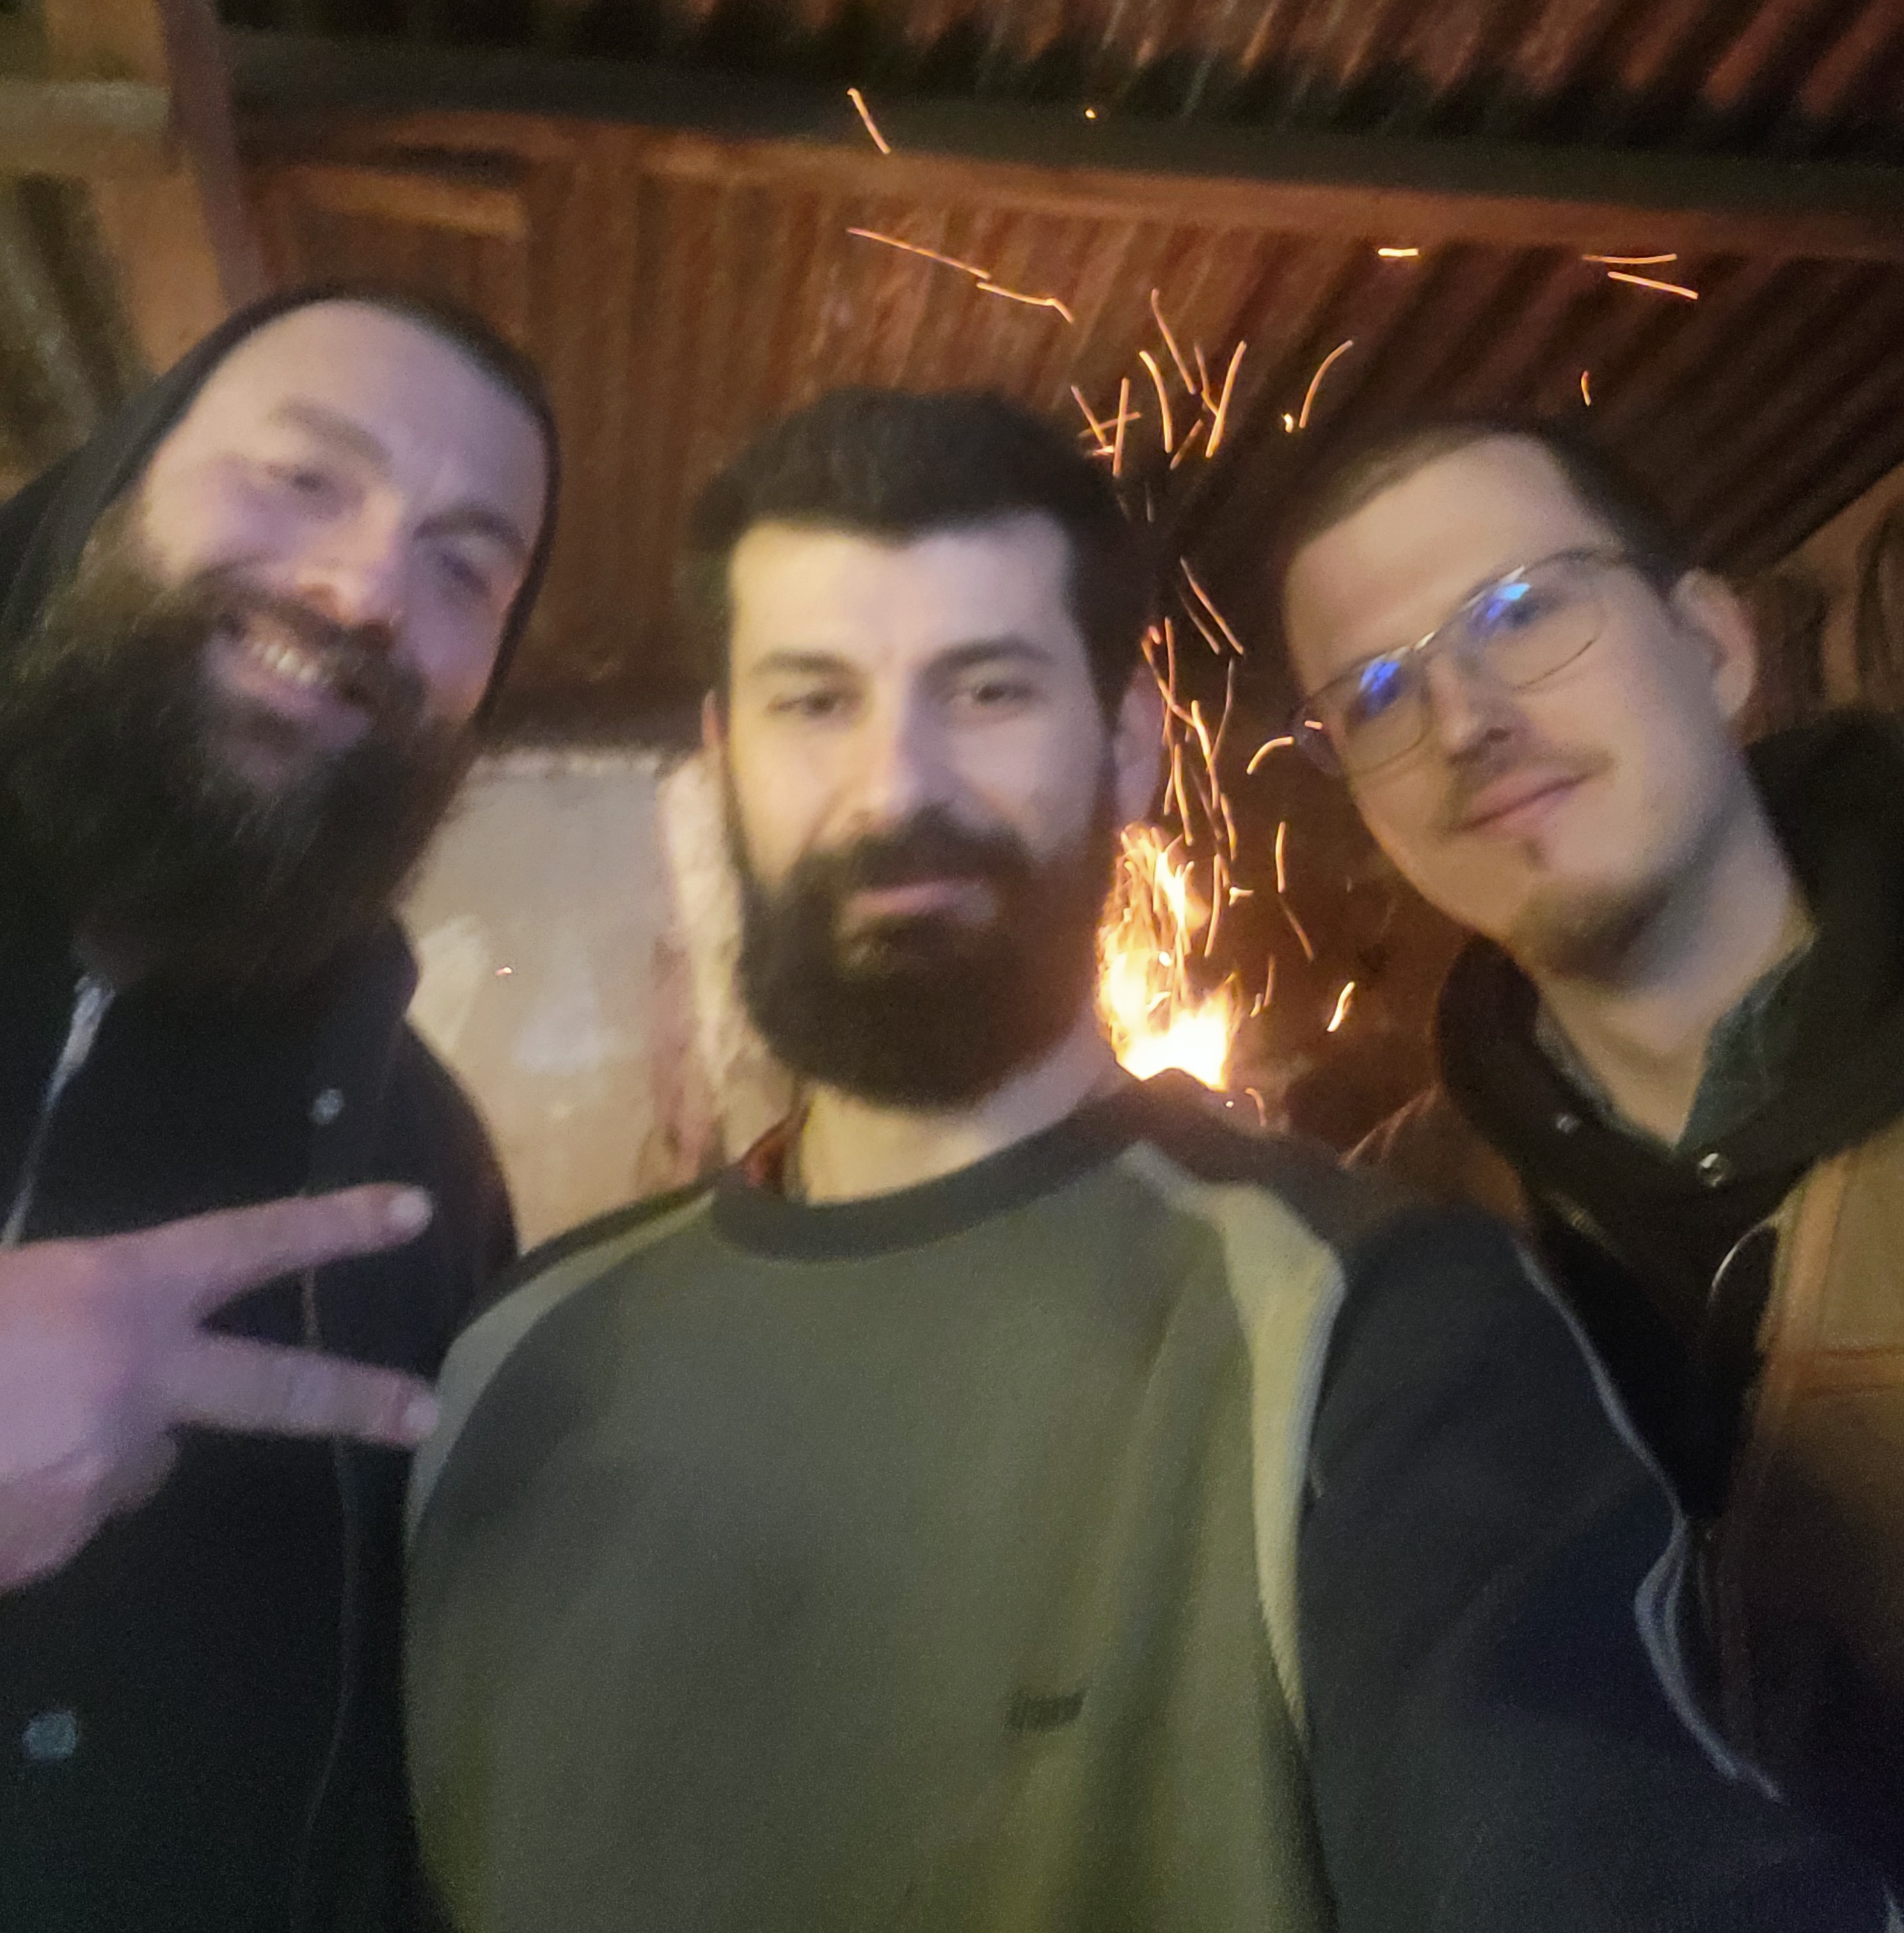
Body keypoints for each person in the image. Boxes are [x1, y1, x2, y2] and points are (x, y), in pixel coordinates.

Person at [406, 386, 1892, 1933]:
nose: (895, 786)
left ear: (1133, 750)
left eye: (989, 688)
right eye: (814, 701)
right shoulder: (507, 1367)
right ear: (719, 764)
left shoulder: (1370, 1314)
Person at [1273, 409, 1904, 1877]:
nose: (1461, 719)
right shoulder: (1383, 1257)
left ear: (1716, 646)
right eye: (1377, 691)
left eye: (1521, 609)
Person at [0, 285, 557, 1932]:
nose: (364, 590)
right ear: (117, 492)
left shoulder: (420, 1165)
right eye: (302, 478)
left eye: (463, 567)